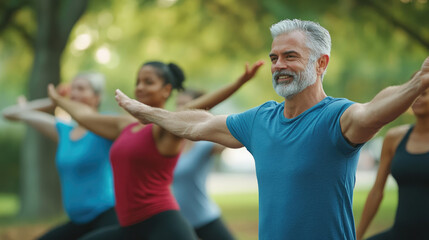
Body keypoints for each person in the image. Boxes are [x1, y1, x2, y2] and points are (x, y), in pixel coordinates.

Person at [114, 19, 429, 240]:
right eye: (274, 57)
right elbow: (199, 124)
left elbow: (373, 112)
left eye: (290, 56)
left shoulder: (337, 117)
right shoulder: (261, 119)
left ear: (321, 63)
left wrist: (417, 83)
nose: (278, 65)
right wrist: (147, 112)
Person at [47, 60, 263, 240]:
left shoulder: (166, 128)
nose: (140, 87)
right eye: (138, 82)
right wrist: (58, 100)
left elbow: (196, 106)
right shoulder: (124, 125)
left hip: (163, 226)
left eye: (148, 82)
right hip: (131, 229)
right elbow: (85, 116)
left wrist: (238, 83)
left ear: (166, 90)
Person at [2, 73, 118, 240]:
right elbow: (10, 113)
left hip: (106, 216)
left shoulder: (106, 124)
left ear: (97, 97)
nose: (75, 93)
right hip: (76, 221)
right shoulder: (64, 130)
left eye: (81, 88)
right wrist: (52, 101)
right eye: (73, 89)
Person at [356, 82, 429, 239]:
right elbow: (377, 192)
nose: (417, 98)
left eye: (424, 94)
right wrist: (357, 235)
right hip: (400, 233)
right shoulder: (395, 138)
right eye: (416, 93)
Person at [173, 89, 235, 240]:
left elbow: (232, 137)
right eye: (178, 105)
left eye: (186, 105)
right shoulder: (168, 142)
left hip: (204, 218)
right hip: (176, 221)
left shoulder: (205, 143)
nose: (180, 109)